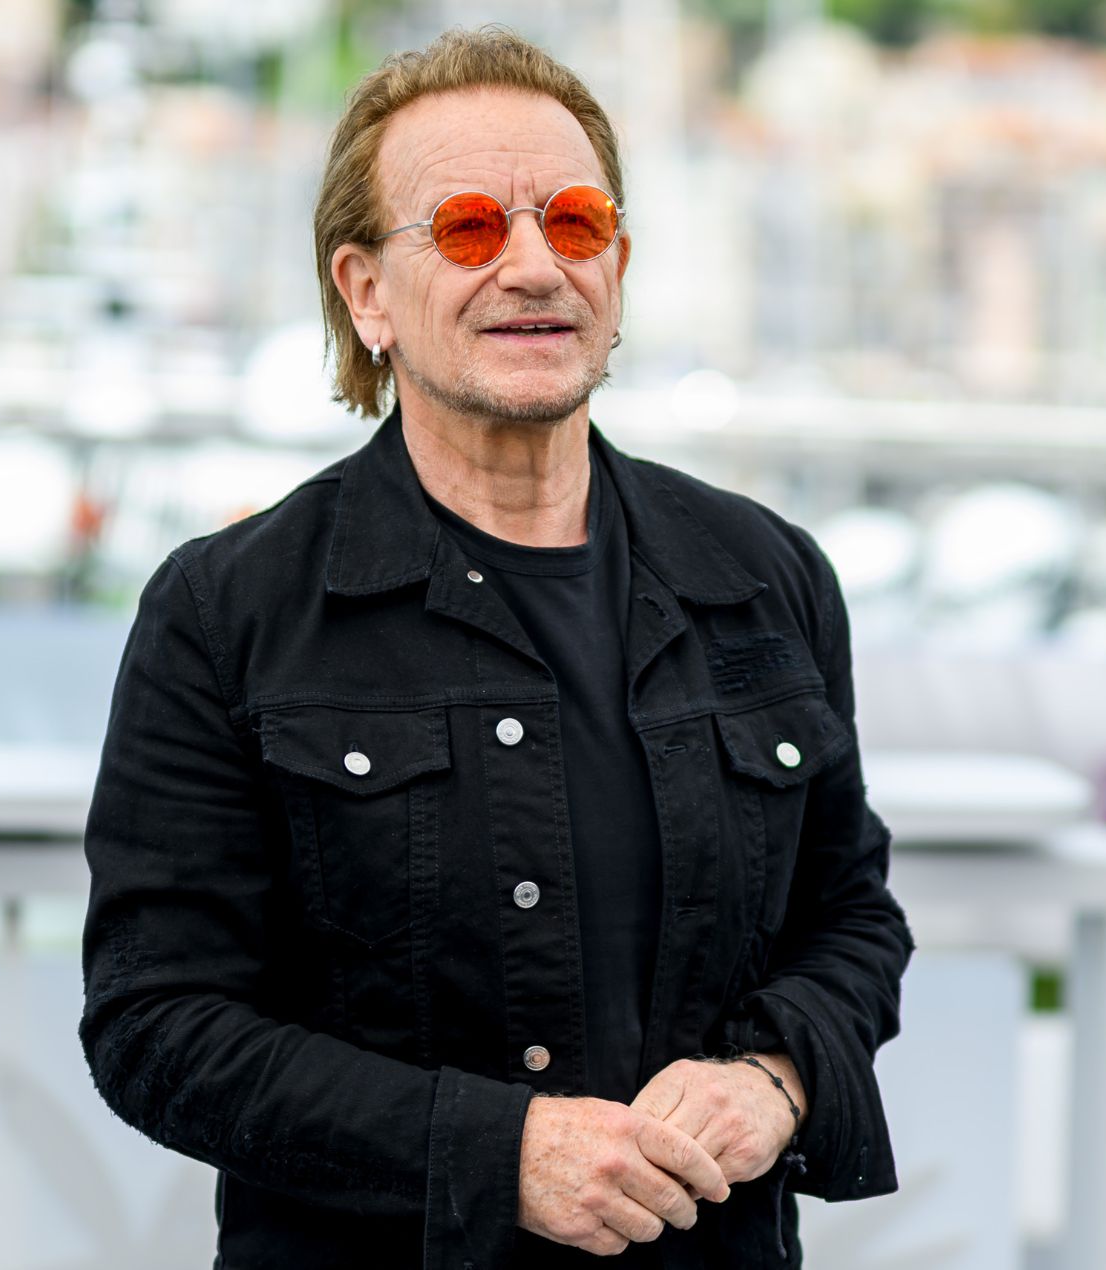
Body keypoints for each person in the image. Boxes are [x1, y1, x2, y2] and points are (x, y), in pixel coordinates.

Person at [77, 25, 915, 1269]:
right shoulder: (227, 610)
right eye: (468, 229)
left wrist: (777, 1076)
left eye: (574, 223)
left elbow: (851, 917)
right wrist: (495, 1154)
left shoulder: (764, 575)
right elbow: (155, 1023)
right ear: (366, 292)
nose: (533, 266)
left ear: (616, 265)